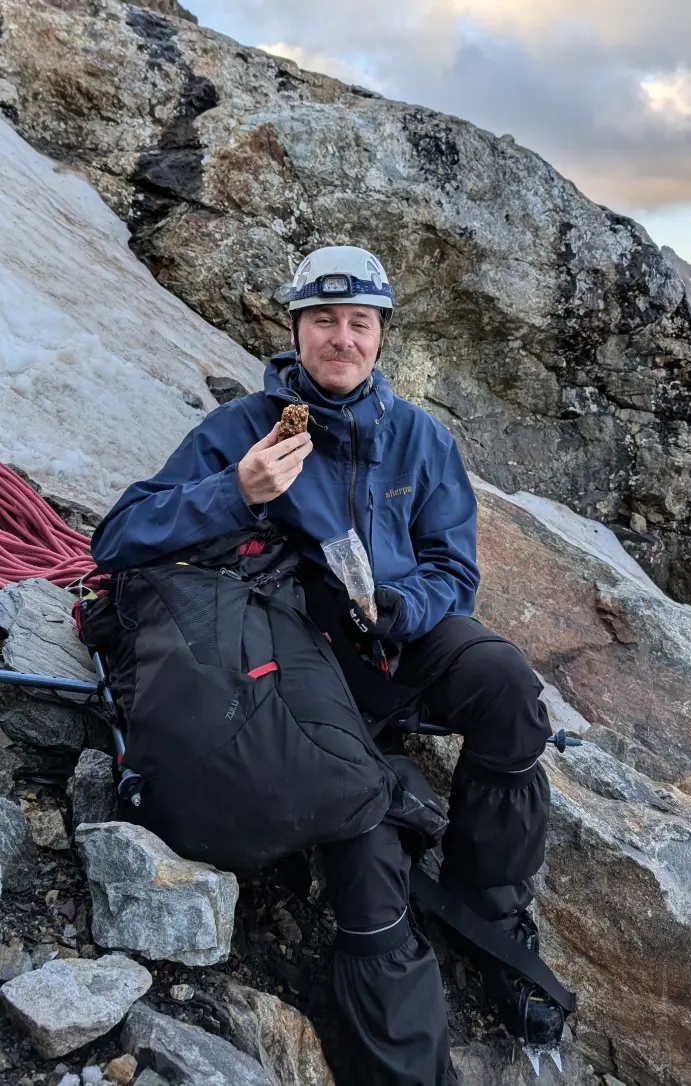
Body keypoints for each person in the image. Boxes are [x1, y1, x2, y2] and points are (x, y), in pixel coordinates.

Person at [91, 246, 559, 1086]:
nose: (342, 338)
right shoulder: (243, 430)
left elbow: (454, 570)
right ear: (295, 330)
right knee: (364, 841)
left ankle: (490, 908)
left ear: (381, 336)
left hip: (397, 640)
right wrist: (237, 490)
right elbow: (119, 536)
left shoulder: (420, 438)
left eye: (359, 323)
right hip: (299, 659)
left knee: (508, 686)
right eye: (324, 321)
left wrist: (402, 608)